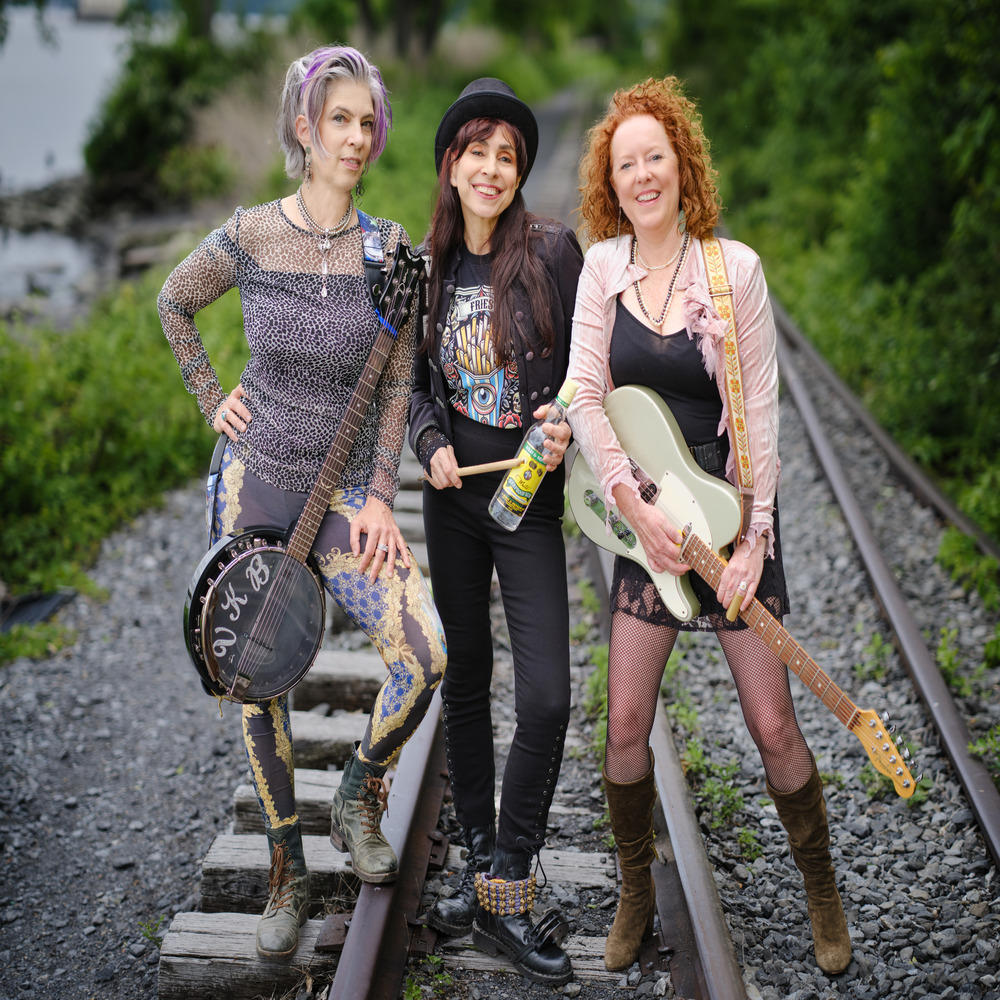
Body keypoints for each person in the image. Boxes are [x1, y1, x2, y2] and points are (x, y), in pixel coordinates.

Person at [157, 46, 447, 962]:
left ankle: (357, 794)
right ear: (304, 128)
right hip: (257, 485)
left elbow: (396, 386)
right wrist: (211, 397)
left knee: (425, 654)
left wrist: (378, 496)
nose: (356, 138)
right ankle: (289, 866)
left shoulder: (389, 249)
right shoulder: (251, 234)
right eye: (339, 121)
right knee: (253, 676)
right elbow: (173, 302)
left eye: (367, 123)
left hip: (345, 497)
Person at [566, 77, 852, 976]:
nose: (643, 175)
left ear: (682, 166)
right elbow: (583, 395)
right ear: (610, 184)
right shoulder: (602, 270)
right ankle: (635, 893)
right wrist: (632, 506)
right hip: (648, 518)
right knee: (624, 721)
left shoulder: (736, 271)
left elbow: (759, 412)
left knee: (773, 725)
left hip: (727, 518)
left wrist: (755, 541)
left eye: (656, 157)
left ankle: (821, 890)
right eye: (626, 164)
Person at [408, 78, 583, 986]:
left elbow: (589, 369)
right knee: (467, 681)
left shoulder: (552, 252)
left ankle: (509, 876)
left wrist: (563, 420)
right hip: (452, 502)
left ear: (518, 172)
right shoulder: (428, 265)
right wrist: (430, 442)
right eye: (475, 151)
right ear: (451, 165)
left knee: (547, 695)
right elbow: (413, 388)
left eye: (505, 155)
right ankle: (488, 877)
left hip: (526, 501)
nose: (489, 168)